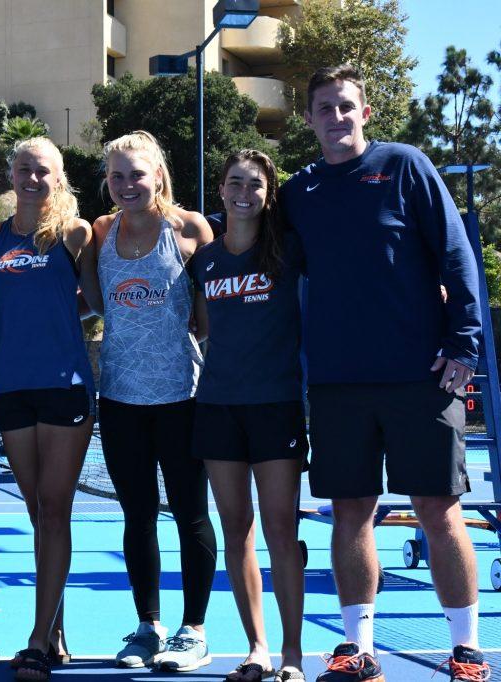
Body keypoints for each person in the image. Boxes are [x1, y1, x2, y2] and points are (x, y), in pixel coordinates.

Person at [280, 65, 489, 682]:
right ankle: (358, 649)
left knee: (438, 508)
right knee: (351, 511)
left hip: (419, 376)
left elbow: (457, 256)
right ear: (310, 117)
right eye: (324, 108)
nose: (336, 117)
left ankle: (467, 649)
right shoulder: (299, 192)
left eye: (346, 106)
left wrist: (465, 344)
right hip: (338, 383)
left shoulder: (404, 166)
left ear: (364, 112)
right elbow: (247, 236)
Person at [80, 130, 217, 673]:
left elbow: (209, 316)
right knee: (137, 516)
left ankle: (194, 630)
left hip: (182, 396)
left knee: (190, 514)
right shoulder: (99, 231)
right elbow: (90, 303)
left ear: (158, 173)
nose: (126, 184)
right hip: (119, 398)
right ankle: (148, 627)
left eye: (136, 173)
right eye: (116, 176)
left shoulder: (190, 229)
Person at [190, 150, 307, 682]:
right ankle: (257, 648)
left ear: (268, 193)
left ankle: (291, 655)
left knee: (281, 530)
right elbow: (206, 327)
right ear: (220, 190)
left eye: (255, 184)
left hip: (276, 406)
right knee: (235, 528)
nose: (244, 192)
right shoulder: (207, 260)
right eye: (235, 182)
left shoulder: (288, 251)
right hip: (217, 407)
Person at [0, 138, 93, 682]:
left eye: (41, 170)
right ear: (11, 174)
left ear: (58, 177)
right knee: (36, 513)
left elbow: (94, 297)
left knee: (55, 511)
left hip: (64, 386)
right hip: (11, 389)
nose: (30, 178)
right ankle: (57, 629)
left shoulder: (76, 234)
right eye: (22, 168)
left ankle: (37, 642)